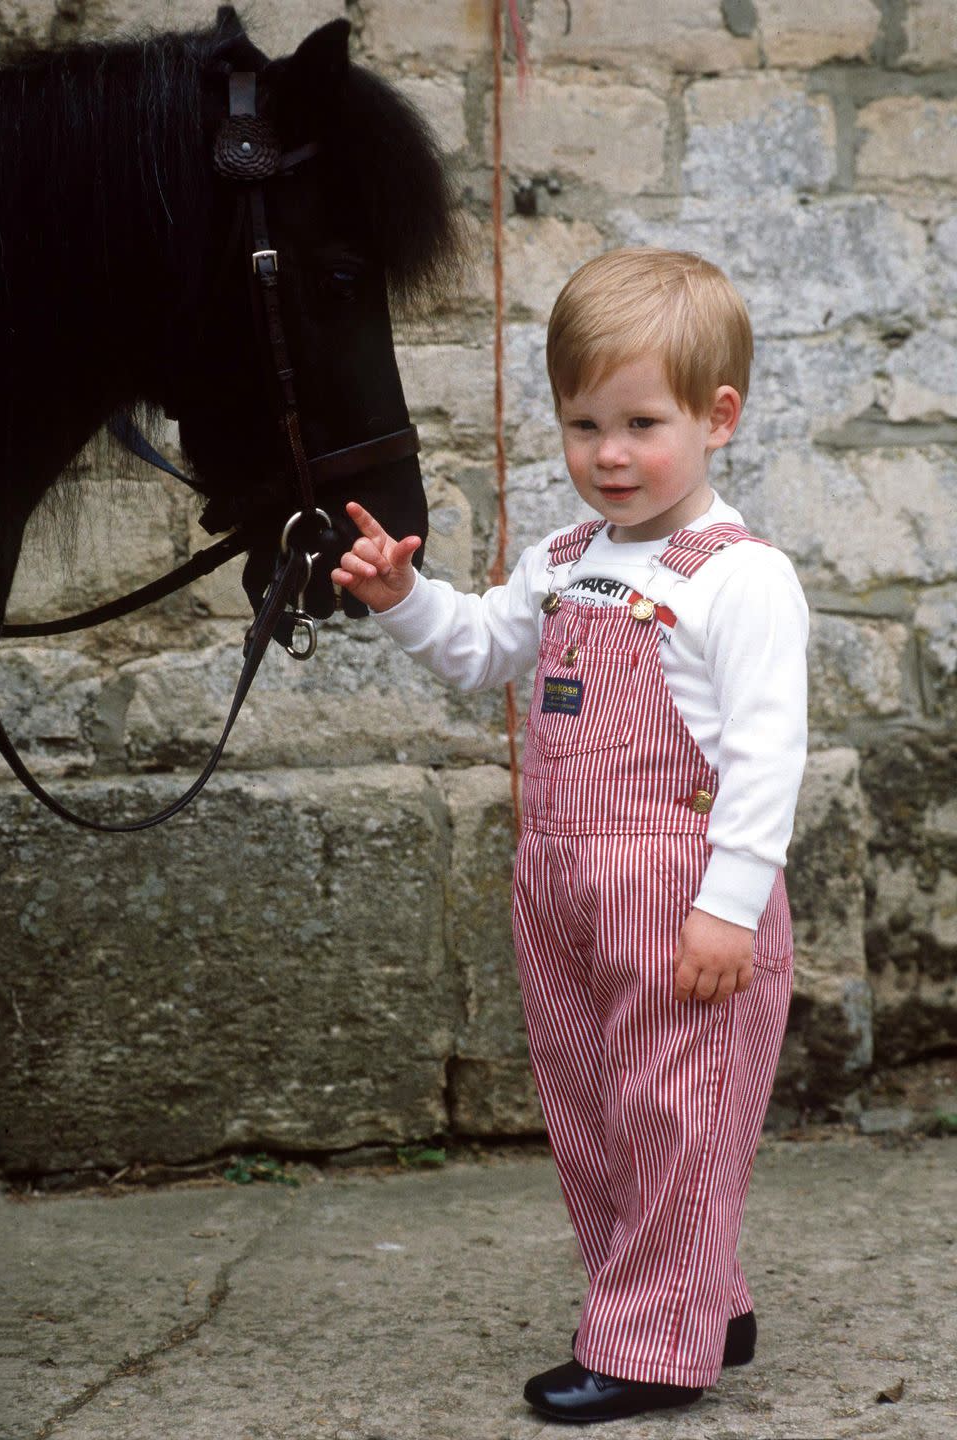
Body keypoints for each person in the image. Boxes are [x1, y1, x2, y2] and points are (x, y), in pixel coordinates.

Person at [331, 247, 808, 1424]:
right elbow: (482, 648)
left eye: (642, 422)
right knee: (593, 1100)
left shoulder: (739, 578)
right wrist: (403, 600)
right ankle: (701, 1297)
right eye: (583, 422)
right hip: (563, 876)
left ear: (717, 417)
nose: (608, 454)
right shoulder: (564, 560)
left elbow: (766, 755)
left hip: (682, 888)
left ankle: (654, 1346)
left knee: (675, 1108)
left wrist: (728, 904)